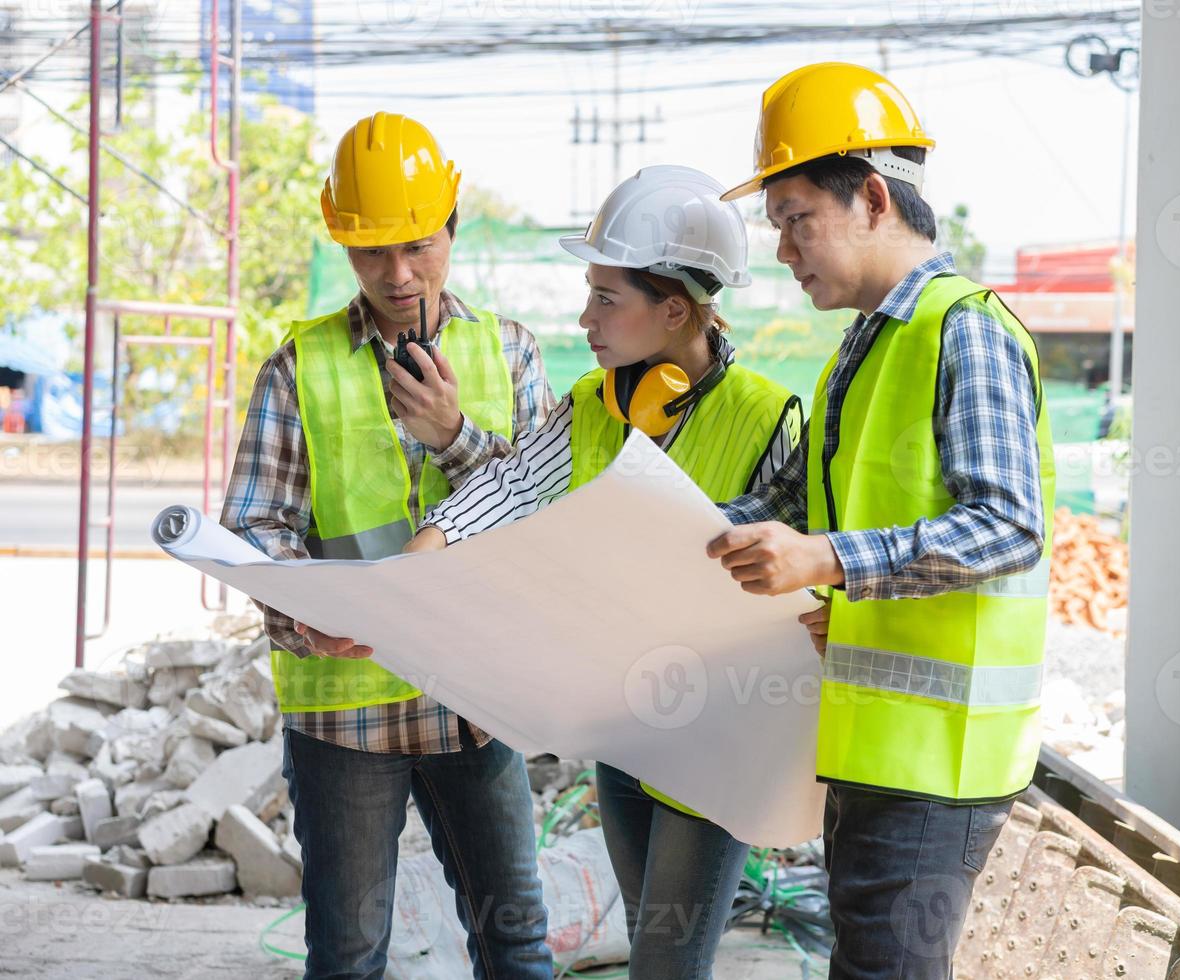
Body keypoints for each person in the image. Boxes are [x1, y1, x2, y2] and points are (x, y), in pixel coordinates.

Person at [406, 164, 807, 980]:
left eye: (606, 298)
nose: (584, 317)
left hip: (721, 738)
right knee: (651, 948)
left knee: (665, 962)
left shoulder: (769, 417)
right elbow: (510, 486)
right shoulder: (595, 402)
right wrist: (416, 565)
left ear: (674, 308)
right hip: (627, 726)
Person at [706, 63, 1056, 979]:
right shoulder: (859, 348)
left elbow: (1008, 525)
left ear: (870, 197)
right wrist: (665, 534)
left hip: (941, 763)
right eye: (776, 225)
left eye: (795, 219)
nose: (782, 249)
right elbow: (789, 508)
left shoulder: (963, 330)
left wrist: (826, 560)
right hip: (875, 744)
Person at [221, 110, 555, 979]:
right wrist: (307, 617)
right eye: (373, 252)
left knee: (517, 944)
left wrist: (454, 435)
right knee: (347, 956)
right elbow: (257, 526)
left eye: (417, 245)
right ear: (344, 246)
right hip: (346, 713)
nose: (399, 274)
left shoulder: (510, 354)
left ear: (451, 225)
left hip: (477, 702)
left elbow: (549, 513)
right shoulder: (300, 367)